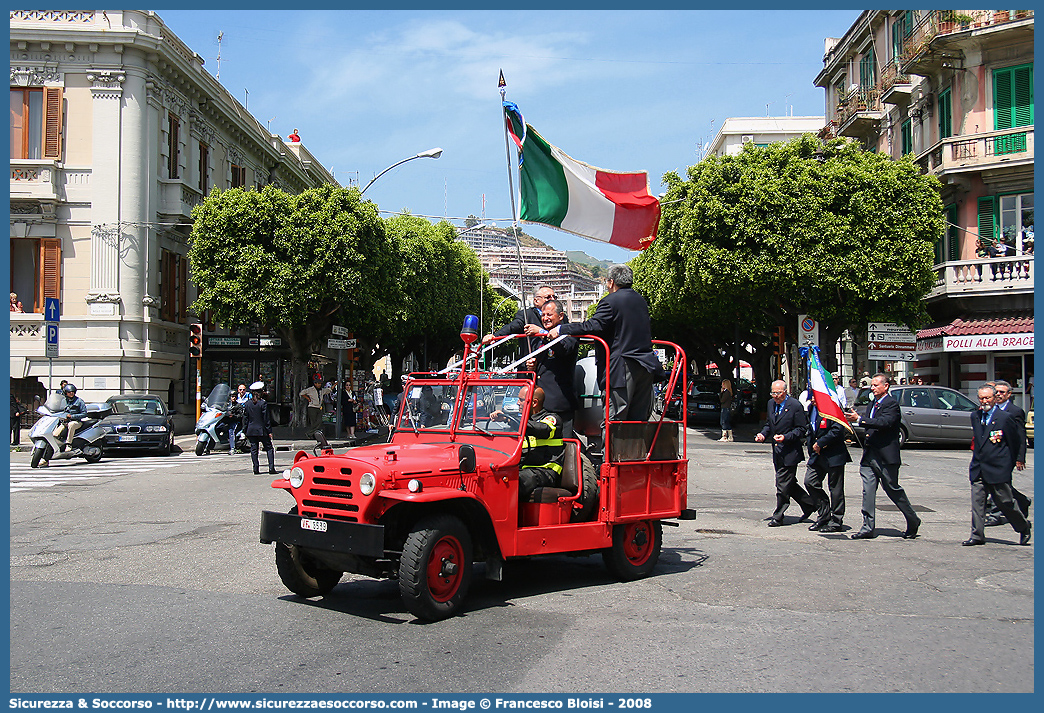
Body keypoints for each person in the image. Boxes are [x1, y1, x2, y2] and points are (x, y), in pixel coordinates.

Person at [550, 264, 660, 425]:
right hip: (645, 364)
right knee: (638, 420)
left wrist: (561, 329)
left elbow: (594, 326)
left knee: (614, 418)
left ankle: (612, 451)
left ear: (610, 282)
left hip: (622, 367)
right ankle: (636, 451)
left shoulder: (610, 300)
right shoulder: (640, 300)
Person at [844, 373, 921, 540]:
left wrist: (861, 420)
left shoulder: (891, 404)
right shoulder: (873, 403)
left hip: (886, 457)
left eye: (876, 385)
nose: (873, 388)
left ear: (886, 386)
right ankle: (867, 527)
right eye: (872, 385)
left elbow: (884, 423)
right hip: (870, 455)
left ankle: (912, 519)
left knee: (892, 489)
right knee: (868, 491)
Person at [963, 384, 1031, 546]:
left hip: (997, 469)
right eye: (981, 398)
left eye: (987, 398)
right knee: (978, 504)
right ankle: (977, 535)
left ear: (994, 398)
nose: (984, 401)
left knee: (1005, 503)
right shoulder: (975, 416)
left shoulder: (1005, 417)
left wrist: (1011, 463)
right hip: (979, 467)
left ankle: (1023, 526)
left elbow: (1014, 442)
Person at [755, 380, 817, 526]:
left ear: (785, 392)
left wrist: (786, 437)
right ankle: (809, 504)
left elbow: (802, 429)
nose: (775, 396)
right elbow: (769, 424)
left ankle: (779, 515)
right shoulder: (771, 404)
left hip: (790, 452)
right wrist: (763, 435)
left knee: (781, 484)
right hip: (777, 451)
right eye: (773, 393)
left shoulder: (795, 406)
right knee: (788, 483)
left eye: (778, 393)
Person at [491, 385, 565, 504]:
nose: (518, 403)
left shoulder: (551, 419)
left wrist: (509, 420)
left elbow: (543, 430)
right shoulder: (525, 421)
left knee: (515, 481)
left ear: (534, 402)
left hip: (546, 470)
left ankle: (508, 520)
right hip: (525, 469)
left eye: (521, 400)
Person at [522, 299, 579, 439]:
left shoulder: (569, 333)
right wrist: (533, 365)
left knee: (564, 443)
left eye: (549, 314)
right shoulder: (540, 339)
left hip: (559, 403)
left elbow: (563, 349)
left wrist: (542, 332)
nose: (545, 318)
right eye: (543, 315)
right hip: (542, 404)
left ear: (560, 316)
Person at [803, 390, 851, 533]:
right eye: (811, 397)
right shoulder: (812, 409)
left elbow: (837, 430)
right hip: (817, 455)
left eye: (815, 397)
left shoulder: (833, 408)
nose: (812, 400)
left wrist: (821, 443)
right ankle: (823, 514)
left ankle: (836, 520)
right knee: (810, 482)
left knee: (835, 489)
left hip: (833, 454)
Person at [984, 379, 1031, 525]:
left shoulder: (1015, 412)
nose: (998, 395)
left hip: (1007, 455)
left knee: (998, 483)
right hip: (992, 453)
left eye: (1002, 392)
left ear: (1009, 394)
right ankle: (1022, 501)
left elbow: (1021, 436)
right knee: (1002, 485)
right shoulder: (991, 409)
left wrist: (1020, 457)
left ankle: (995, 515)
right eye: (996, 392)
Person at [482, 284, 558, 355]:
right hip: (532, 362)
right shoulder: (526, 315)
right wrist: (494, 337)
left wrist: (540, 331)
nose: (552, 299)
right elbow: (512, 327)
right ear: (536, 301)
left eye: (554, 297)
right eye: (548, 297)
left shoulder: (561, 316)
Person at [242, 382, 277, 475]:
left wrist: (244, 430)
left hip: (251, 430)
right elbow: (266, 419)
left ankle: (256, 468)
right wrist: (269, 431)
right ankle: (271, 468)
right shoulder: (263, 403)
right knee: (269, 448)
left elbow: (245, 418)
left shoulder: (247, 404)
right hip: (262, 430)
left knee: (254, 450)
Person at [227, 384, 250, 455]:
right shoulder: (227, 404)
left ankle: (232, 448)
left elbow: (240, 415)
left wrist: (233, 416)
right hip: (227, 420)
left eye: (243, 390)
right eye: (240, 390)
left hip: (237, 419)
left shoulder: (247, 397)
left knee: (231, 430)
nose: (242, 391)